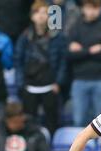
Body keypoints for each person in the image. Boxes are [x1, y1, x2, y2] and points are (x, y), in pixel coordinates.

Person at [15, 0, 67, 137]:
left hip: (50, 86)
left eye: (45, 13)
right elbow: (18, 61)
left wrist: (58, 83)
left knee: (52, 120)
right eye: (38, 12)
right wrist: (22, 84)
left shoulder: (58, 37)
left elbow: (63, 61)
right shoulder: (24, 37)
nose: (41, 16)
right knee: (28, 120)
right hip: (30, 86)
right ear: (32, 16)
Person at [67, 0, 101, 127]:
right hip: (79, 80)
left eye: (95, 8)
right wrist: (90, 50)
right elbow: (70, 55)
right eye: (89, 8)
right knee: (78, 121)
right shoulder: (75, 27)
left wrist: (81, 50)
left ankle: (100, 148)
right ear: (83, 9)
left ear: (100, 9)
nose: (92, 11)